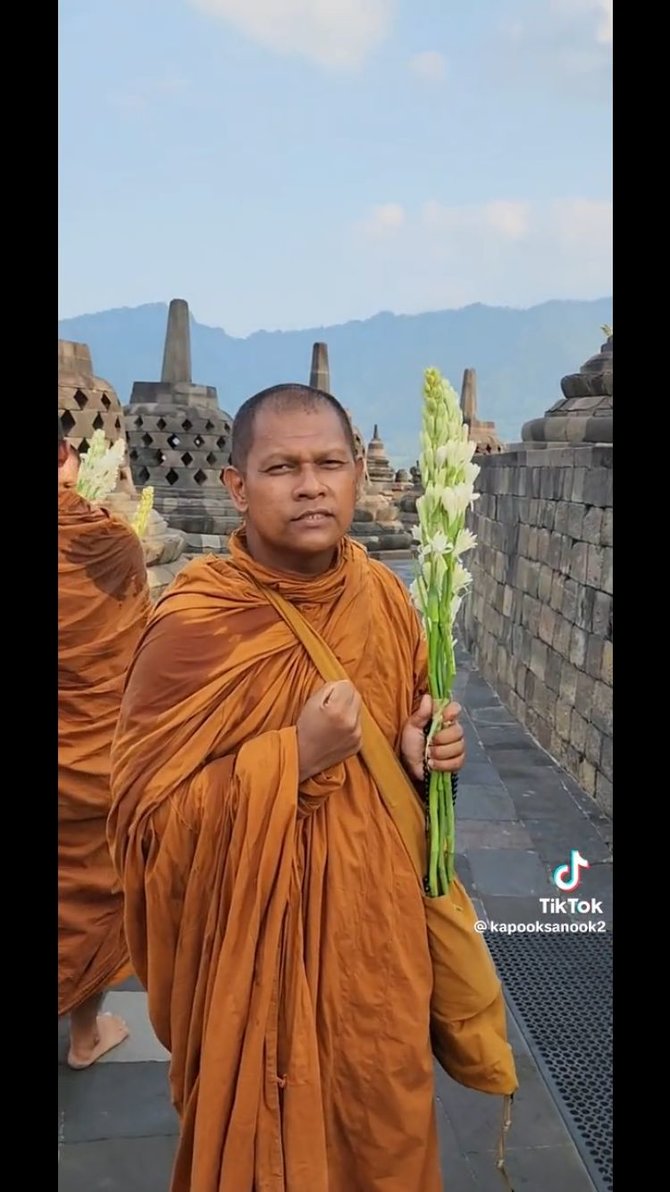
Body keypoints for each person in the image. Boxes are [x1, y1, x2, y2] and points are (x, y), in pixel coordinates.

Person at [108, 385, 517, 1191]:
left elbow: (405, 769)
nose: (310, 485)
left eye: (329, 463)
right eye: (282, 467)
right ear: (237, 486)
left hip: (377, 950)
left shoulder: (388, 603)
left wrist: (423, 757)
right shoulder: (195, 627)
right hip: (255, 958)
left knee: (386, 1130)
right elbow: (142, 832)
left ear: (358, 472)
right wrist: (291, 757)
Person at [58, 431, 151, 1067]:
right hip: (90, 752)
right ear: (69, 459)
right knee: (90, 892)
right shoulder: (112, 543)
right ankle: (85, 1036)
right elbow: (139, 653)